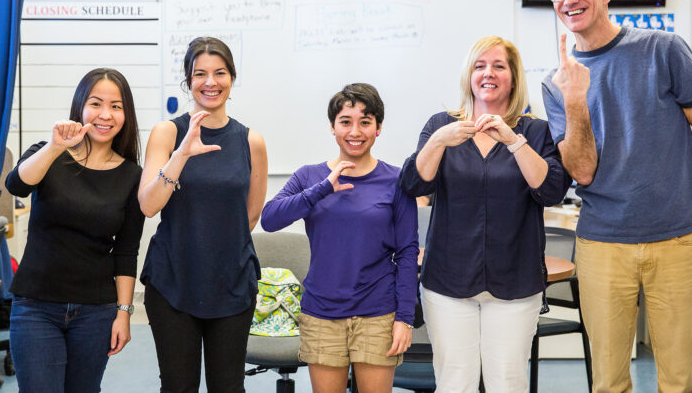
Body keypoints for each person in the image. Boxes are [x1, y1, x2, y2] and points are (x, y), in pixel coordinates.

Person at [541, 0, 692, 393]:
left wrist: (667, 185)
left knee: (679, 380)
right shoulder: (557, 83)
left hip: (678, 239)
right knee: (608, 381)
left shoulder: (662, 49)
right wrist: (574, 100)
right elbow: (583, 172)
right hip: (602, 243)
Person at [400, 37, 571, 392]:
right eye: (480, 66)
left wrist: (514, 142)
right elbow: (413, 184)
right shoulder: (441, 125)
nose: (488, 73)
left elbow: (552, 191)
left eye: (498, 66)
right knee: (454, 382)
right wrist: (437, 142)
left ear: (513, 77)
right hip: (448, 281)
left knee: (507, 383)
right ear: (469, 75)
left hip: (516, 281)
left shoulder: (535, 131)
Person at [261, 83, 418, 393]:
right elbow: (270, 219)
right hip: (322, 313)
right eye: (345, 122)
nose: (355, 131)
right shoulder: (309, 177)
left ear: (378, 128)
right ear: (332, 127)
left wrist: (405, 317)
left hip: (378, 312)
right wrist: (322, 189)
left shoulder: (396, 180)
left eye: (365, 121)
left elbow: (407, 253)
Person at [138, 37, 268, 393]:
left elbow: (250, 216)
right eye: (200, 74)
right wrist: (181, 154)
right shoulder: (168, 132)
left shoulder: (250, 140)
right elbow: (148, 205)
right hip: (173, 281)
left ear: (232, 77)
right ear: (188, 80)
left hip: (231, 283)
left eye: (220, 73)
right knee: (178, 386)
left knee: (228, 387)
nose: (210, 82)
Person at [5, 68, 145, 393]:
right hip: (36, 306)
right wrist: (55, 147)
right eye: (96, 103)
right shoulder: (49, 152)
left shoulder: (132, 175)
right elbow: (16, 185)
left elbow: (126, 251)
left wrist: (124, 313)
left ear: (127, 115)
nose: (105, 115)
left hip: (96, 312)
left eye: (116, 106)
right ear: (81, 107)